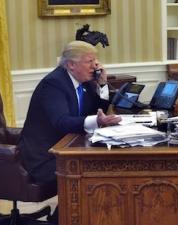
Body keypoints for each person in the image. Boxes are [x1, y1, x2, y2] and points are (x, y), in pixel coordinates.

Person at [18, 40, 121, 186]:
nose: (95, 66)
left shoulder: (83, 81)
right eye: (89, 62)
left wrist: (102, 84)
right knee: (94, 173)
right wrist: (97, 121)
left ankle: (72, 209)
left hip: (67, 150)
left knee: (102, 167)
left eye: (95, 61)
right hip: (45, 158)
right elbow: (61, 122)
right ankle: (67, 210)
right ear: (71, 65)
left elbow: (97, 110)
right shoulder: (54, 84)